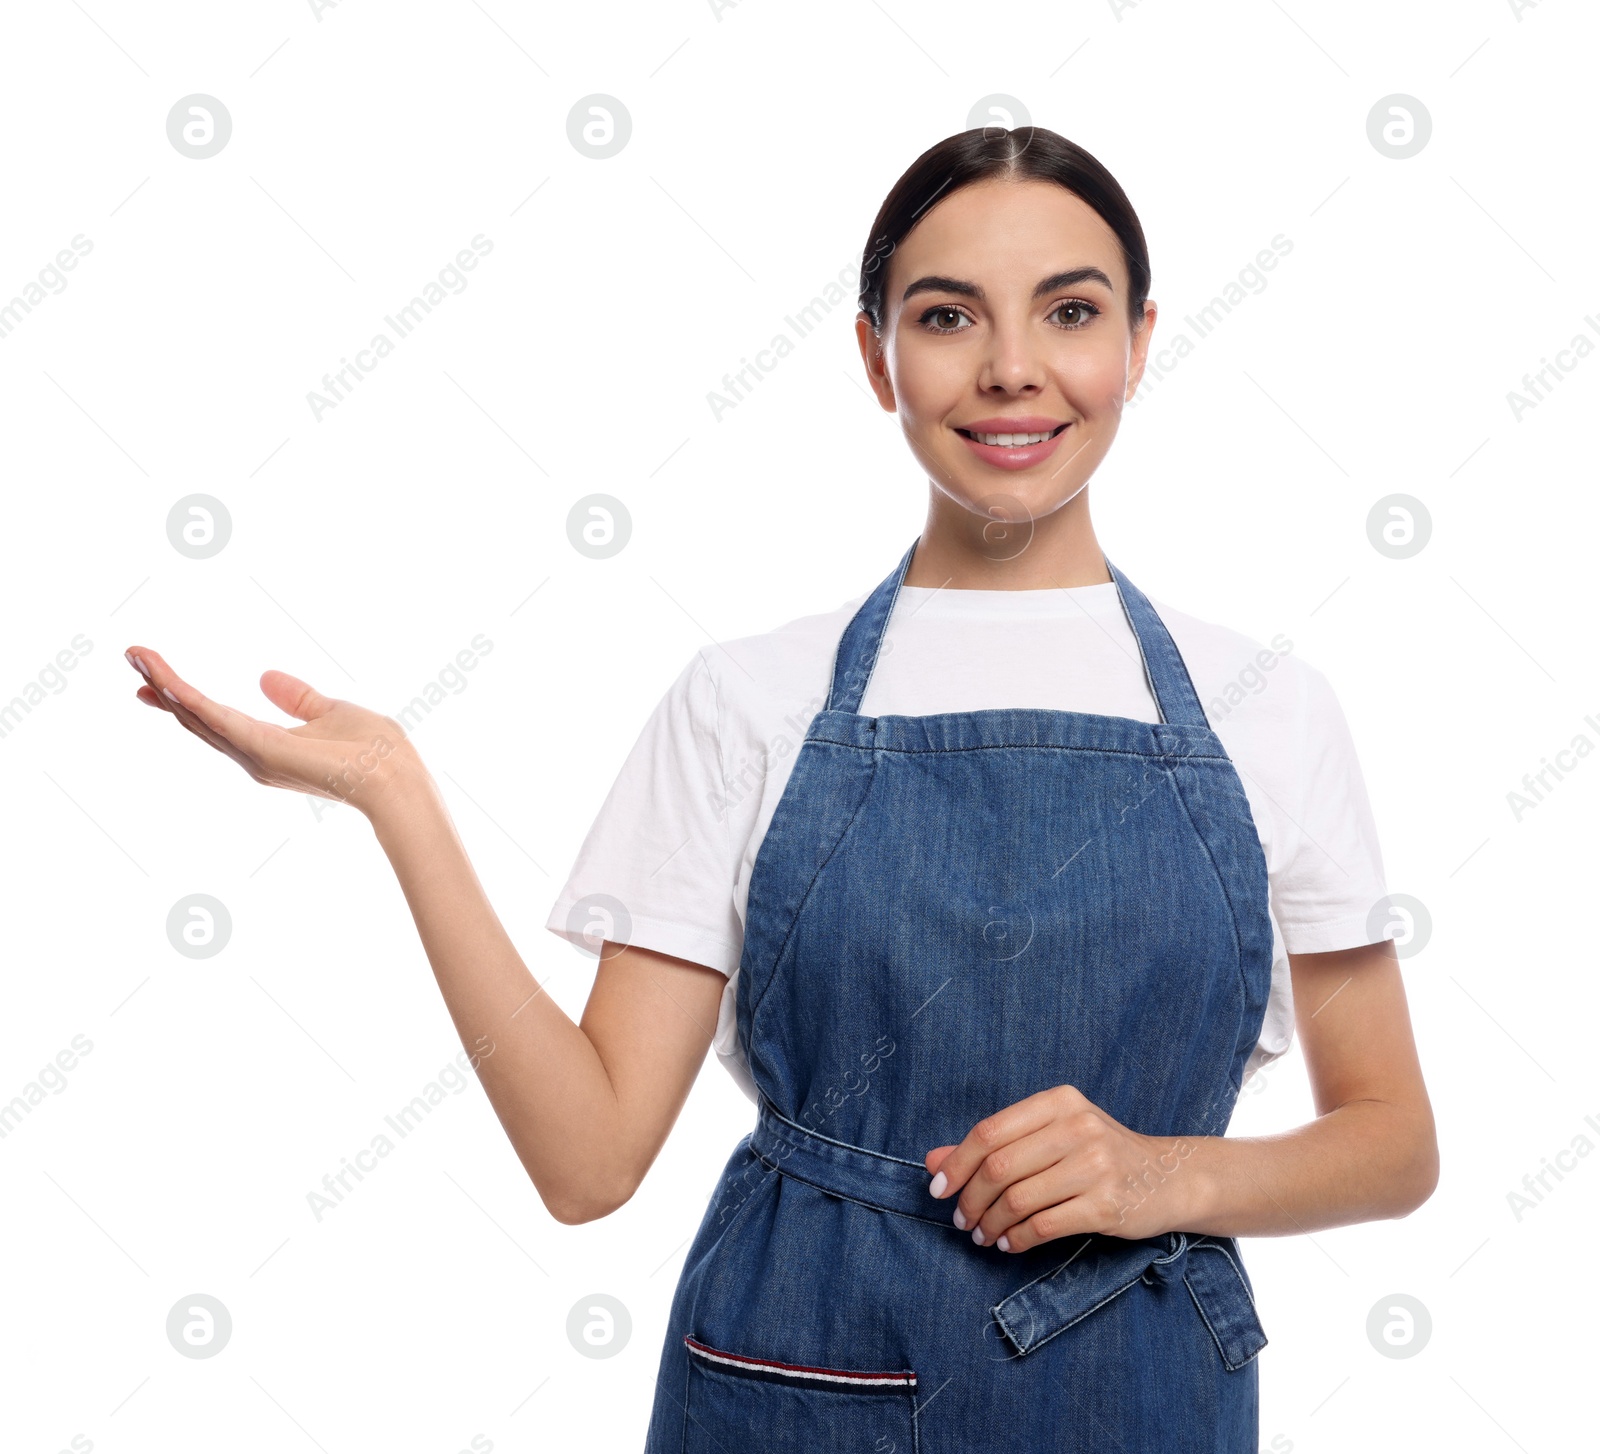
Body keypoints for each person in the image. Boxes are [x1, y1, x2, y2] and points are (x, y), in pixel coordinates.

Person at [125, 126, 1438, 1452]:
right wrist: (394, 792)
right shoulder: (748, 701)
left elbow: (1393, 1138)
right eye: (946, 316)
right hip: (795, 1378)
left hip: (1141, 1387)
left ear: (1141, 343)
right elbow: (587, 1164)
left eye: (1070, 310)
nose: (1011, 369)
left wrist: (1165, 1171)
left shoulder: (1268, 709)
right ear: (876, 356)